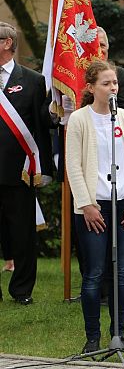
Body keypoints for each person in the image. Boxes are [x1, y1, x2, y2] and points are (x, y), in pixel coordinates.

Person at [65, 60, 124, 353]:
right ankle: (92, 337)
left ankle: (119, 334)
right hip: (93, 205)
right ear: (91, 87)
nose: (113, 88)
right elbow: (73, 166)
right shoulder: (79, 119)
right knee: (95, 273)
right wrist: (86, 204)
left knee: (120, 272)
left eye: (115, 84)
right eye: (106, 84)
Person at [0, 21, 54, 305]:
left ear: (7, 43)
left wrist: (58, 111)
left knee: (22, 234)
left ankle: (21, 290)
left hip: (19, 170)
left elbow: (41, 122)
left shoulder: (32, 80)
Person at [97, 27, 124, 112]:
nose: (98, 50)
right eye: (93, 45)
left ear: (107, 47)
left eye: (102, 45)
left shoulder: (123, 77)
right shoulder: (73, 76)